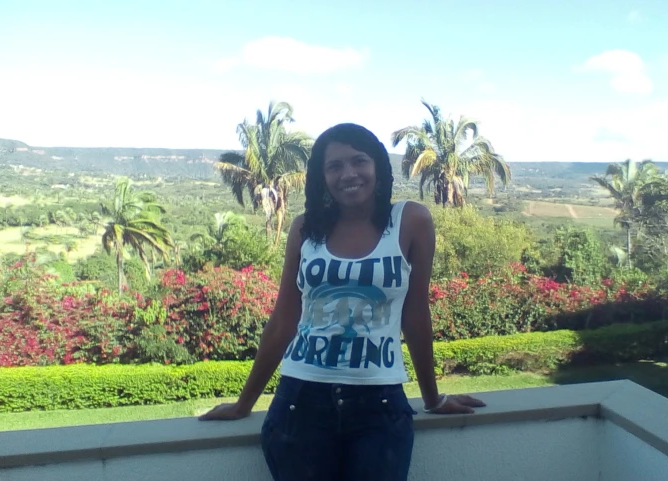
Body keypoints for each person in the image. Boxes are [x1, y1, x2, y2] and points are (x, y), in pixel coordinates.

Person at [199, 123, 485, 480]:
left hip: (380, 406)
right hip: (299, 403)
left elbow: (415, 314)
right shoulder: (305, 229)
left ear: (378, 167)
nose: (348, 173)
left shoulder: (410, 221)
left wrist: (433, 398)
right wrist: (245, 404)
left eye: (359, 161)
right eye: (334, 166)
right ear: (322, 177)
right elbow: (284, 319)